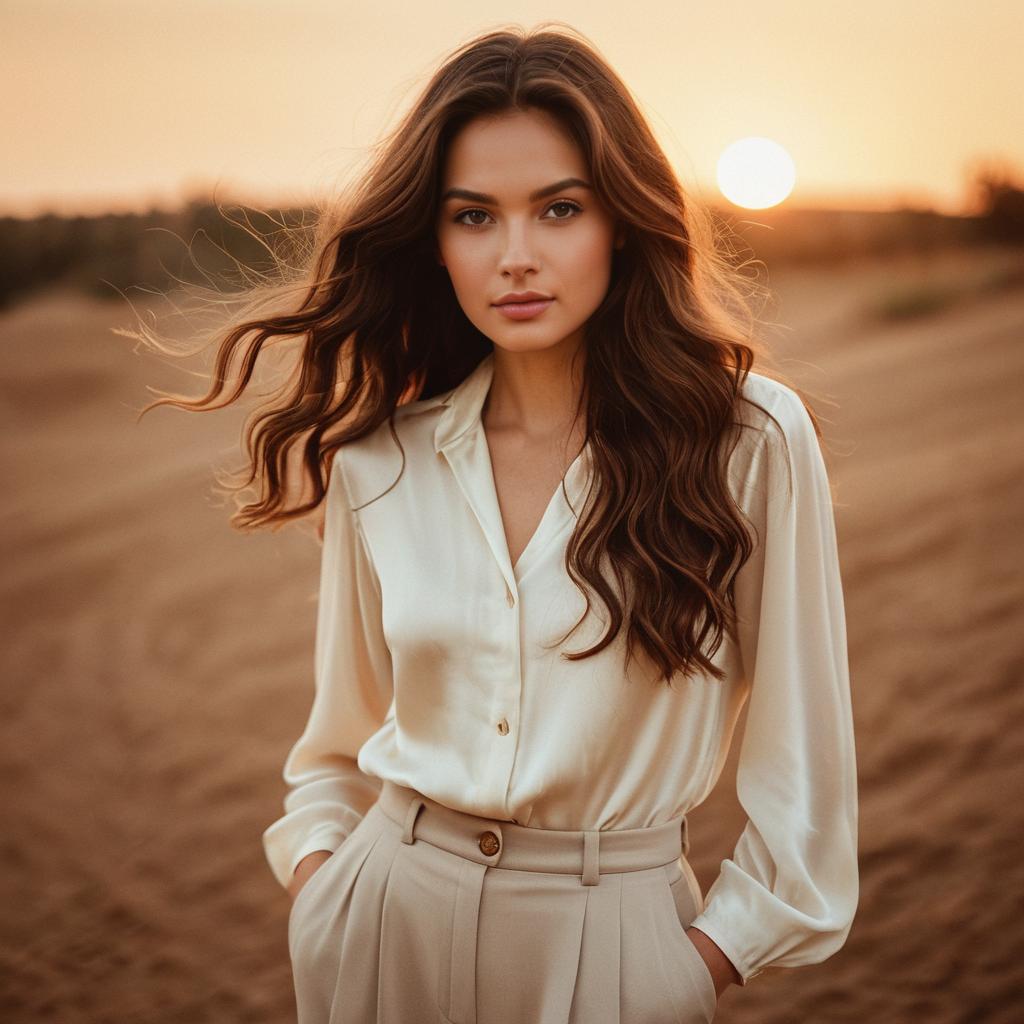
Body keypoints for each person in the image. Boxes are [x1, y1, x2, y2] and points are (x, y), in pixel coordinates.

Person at [140, 22, 858, 1024]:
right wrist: (323, 892)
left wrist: (695, 965)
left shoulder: (745, 440)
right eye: (474, 216)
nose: (516, 258)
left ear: (621, 221)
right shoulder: (380, 457)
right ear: (433, 240)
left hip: (615, 950)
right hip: (382, 929)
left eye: (559, 209)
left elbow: (804, 776)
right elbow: (336, 744)